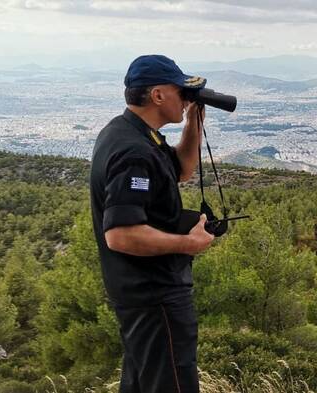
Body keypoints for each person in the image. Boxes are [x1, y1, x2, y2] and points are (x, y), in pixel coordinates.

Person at [89, 54, 214, 393]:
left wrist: (194, 123)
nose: (186, 100)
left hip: (141, 294)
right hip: (155, 295)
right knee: (172, 382)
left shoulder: (130, 133)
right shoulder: (134, 151)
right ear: (158, 95)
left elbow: (182, 170)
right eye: (181, 92)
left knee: (144, 382)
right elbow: (121, 234)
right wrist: (189, 244)